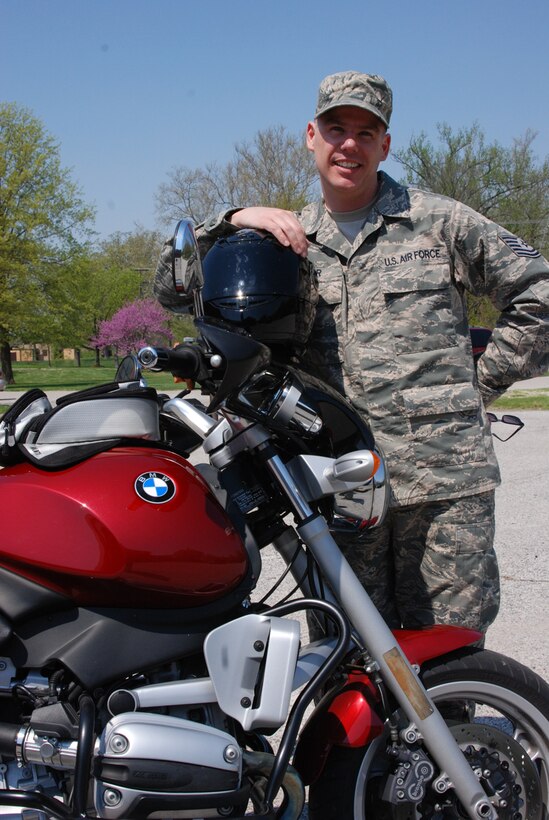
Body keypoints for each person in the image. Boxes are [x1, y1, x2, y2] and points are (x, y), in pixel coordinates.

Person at [155, 71, 549, 636]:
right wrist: (230, 221)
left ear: (384, 145)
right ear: (310, 136)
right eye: (336, 129)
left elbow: (539, 293)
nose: (349, 145)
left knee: (450, 648)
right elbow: (172, 290)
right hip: (336, 484)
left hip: (444, 483)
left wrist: (478, 385)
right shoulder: (282, 241)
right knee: (350, 652)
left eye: (366, 133)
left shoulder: (440, 222)